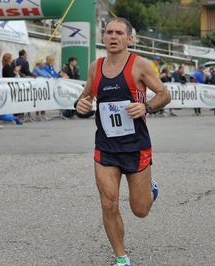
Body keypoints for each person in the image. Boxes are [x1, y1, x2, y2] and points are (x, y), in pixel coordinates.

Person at [74, 17, 171, 266]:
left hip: (136, 146)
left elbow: (164, 94)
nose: (114, 36)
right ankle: (121, 257)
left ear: (129, 39)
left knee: (140, 210)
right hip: (105, 147)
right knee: (108, 203)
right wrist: (80, 104)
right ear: (103, 38)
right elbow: (84, 98)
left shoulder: (140, 65)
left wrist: (146, 106)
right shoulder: (96, 67)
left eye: (119, 33)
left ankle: (151, 190)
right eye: (109, 32)